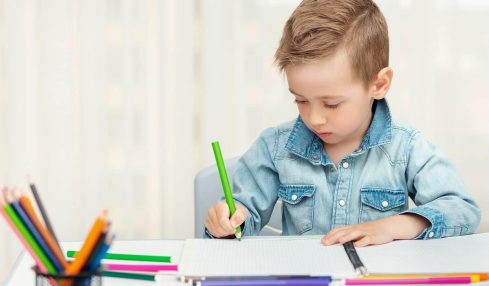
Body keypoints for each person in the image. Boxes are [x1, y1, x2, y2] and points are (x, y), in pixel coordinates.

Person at [204, 0, 480, 246]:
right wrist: (228, 221)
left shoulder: (405, 147)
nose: (314, 118)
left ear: (379, 84)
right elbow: (242, 214)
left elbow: (462, 209)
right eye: (300, 100)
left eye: (332, 103)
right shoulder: (274, 147)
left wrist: (392, 227)